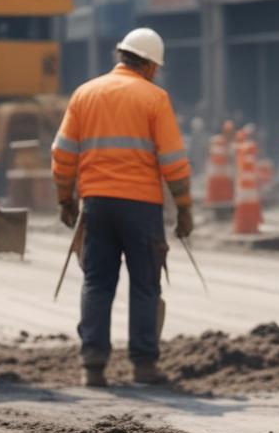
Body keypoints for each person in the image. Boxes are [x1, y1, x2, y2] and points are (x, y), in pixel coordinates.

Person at [51, 27, 193, 387]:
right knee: (145, 285)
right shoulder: (154, 98)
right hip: (141, 206)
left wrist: (65, 198)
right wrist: (184, 208)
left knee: (97, 283)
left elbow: (62, 153)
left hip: (96, 204)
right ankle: (144, 366)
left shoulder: (85, 94)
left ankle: (93, 367)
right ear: (148, 65)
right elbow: (173, 160)